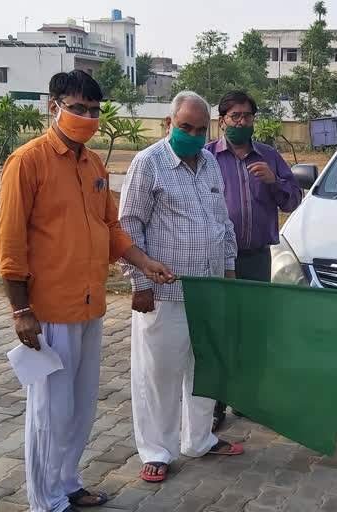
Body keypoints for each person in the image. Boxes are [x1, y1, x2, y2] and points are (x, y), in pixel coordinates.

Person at [0, 70, 174, 512]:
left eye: (94, 111)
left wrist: (145, 262)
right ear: (52, 107)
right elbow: (10, 243)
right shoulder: (27, 162)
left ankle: (69, 483)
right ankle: (45, 500)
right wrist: (21, 311)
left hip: (90, 306)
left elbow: (110, 228)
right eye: (78, 108)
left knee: (78, 409)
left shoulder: (93, 164)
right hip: (49, 311)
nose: (87, 117)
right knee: (48, 414)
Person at [119, 90, 243, 484]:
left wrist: (228, 274)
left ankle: (199, 439)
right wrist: (139, 282)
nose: (192, 134)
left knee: (205, 368)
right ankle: (156, 450)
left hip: (208, 292)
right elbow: (128, 226)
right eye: (185, 127)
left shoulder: (209, 163)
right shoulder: (148, 163)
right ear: (168, 125)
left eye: (199, 128)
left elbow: (222, 223)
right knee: (159, 374)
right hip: (163, 292)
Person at [205, 90, 302, 430]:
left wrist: (275, 182)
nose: (242, 122)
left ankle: (246, 399)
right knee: (219, 332)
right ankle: (214, 405)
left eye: (247, 116)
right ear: (222, 121)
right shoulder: (207, 158)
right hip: (218, 261)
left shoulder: (270, 156)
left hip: (257, 258)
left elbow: (293, 201)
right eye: (235, 117)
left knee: (253, 333)